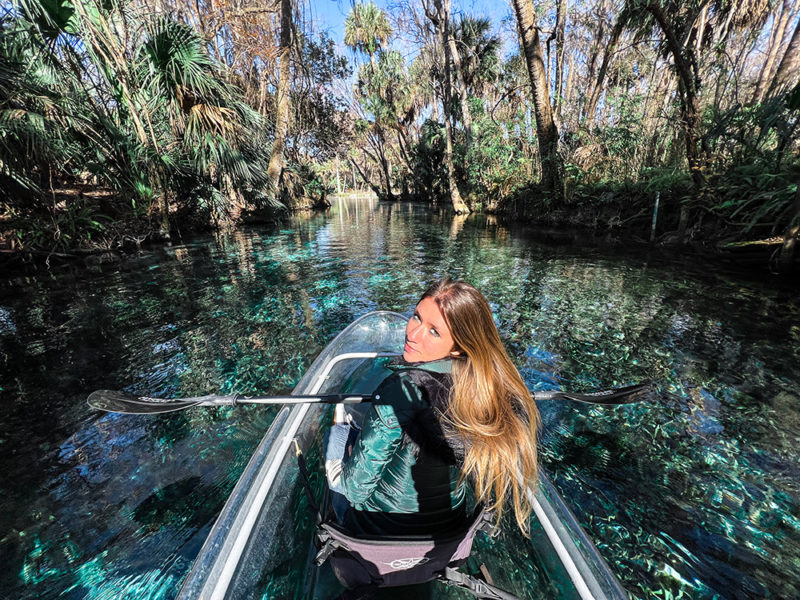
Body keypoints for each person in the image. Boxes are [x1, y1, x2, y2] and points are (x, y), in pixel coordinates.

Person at [326, 278, 540, 536]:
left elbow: (355, 489)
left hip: (379, 530)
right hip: (450, 533)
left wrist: (347, 448)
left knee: (338, 434)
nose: (412, 334)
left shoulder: (400, 389)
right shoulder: (487, 392)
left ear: (459, 348)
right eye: (416, 317)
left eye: (434, 331)